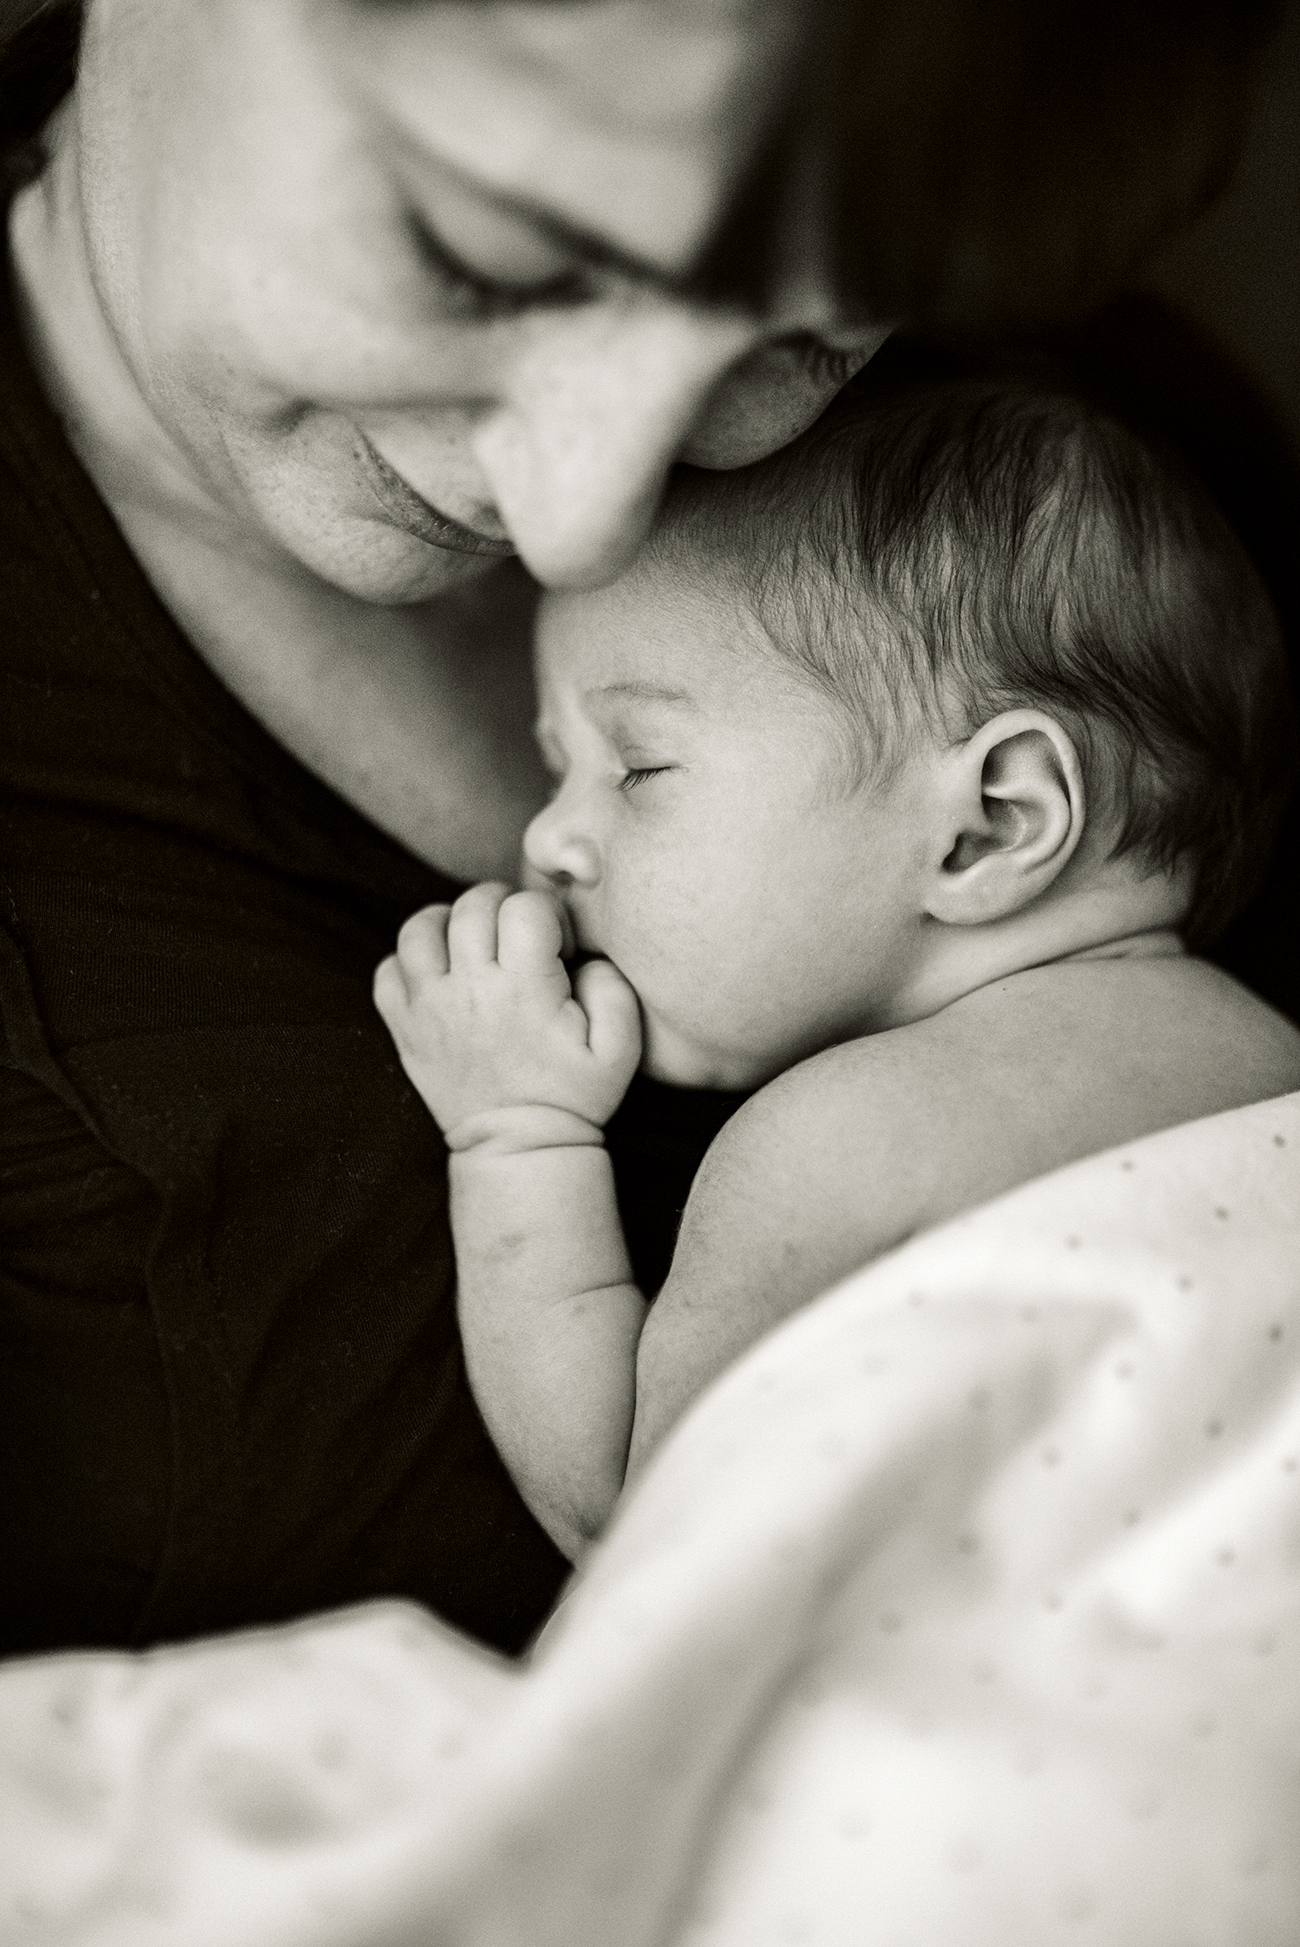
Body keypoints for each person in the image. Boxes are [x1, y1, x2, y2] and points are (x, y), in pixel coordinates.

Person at [0, 0, 1287, 1661]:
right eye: (485, 254)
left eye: (813, 344)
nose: (581, 515)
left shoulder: (1108, 459)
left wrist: (518, 1142)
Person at [376, 372, 1300, 1560]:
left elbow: (638, 1520)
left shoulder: (835, 1145)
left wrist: (514, 1135)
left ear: (990, 828)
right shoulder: (1267, 1058)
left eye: (636, 767)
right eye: (558, 765)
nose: (548, 836)